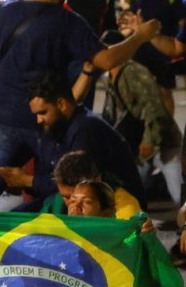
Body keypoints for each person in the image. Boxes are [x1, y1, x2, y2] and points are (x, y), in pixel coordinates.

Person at [0, 0, 166, 205]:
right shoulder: (67, 20)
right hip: (48, 120)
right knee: (61, 183)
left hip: (2, 115)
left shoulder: (7, 12)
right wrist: (140, 37)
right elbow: (105, 60)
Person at [17, 71, 146, 210]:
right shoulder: (56, 127)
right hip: (73, 201)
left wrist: (28, 181)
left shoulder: (86, 129)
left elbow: (75, 184)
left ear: (61, 104)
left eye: (42, 113)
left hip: (112, 209)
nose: (39, 120)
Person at [103, 37, 182, 206]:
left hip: (162, 141)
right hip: (139, 144)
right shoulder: (111, 75)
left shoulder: (133, 72)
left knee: (177, 194)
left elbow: (153, 108)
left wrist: (148, 141)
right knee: (135, 191)